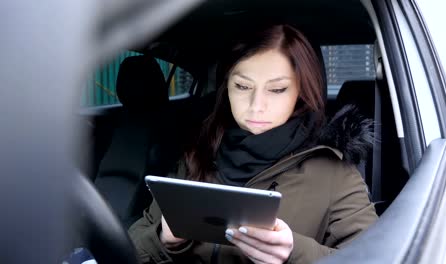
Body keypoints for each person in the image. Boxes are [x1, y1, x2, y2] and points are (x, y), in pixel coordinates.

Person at [129, 24, 378, 264]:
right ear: (225, 87)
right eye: (242, 86)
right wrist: (163, 239)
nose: (256, 105)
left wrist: (294, 253)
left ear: (301, 91)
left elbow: (379, 255)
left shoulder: (335, 173)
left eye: (277, 89)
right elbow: (134, 242)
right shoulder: (198, 152)